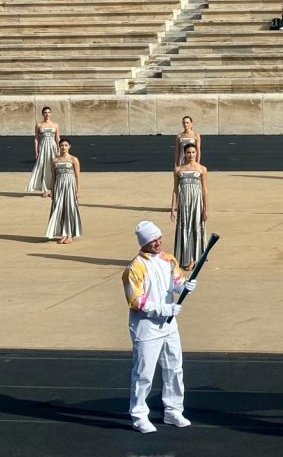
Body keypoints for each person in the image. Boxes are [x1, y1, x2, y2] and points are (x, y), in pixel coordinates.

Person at [123, 221, 196, 433]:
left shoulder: (168, 259)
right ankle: (139, 415)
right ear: (143, 242)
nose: (158, 243)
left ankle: (173, 410)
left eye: (159, 238)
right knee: (144, 373)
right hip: (146, 328)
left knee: (174, 368)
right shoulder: (134, 268)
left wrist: (185, 286)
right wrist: (163, 309)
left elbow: (176, 281)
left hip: (169, 326)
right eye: (153, 240)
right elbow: (135, 301)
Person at [171, 143, 208, 269]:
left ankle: (193, 259)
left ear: (196, 153)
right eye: (188, 152)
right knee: (184, 228)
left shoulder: (202, 169)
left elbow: (205, 189)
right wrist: (173, 208)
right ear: (184, 154)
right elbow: (175, 190)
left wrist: (206, 209)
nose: (191, 155)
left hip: (197, 203)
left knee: (195, 228)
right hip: (183, 203)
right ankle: (184, 257)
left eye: (193, 152)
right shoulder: (178, 169)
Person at [46, 138, 82, 244]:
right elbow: (53, 177)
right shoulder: (54, 160)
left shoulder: (74, 159)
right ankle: (63, 234)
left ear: (69, 146)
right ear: (59, 146)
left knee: (69, 208)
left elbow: (77, 176)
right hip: (59, 186)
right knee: (60, 209)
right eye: (62, 145)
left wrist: (78, 191)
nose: (63, 147)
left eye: (66, 145)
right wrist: (52, 190)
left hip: (70, 186)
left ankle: (70, 235)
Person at [26, 107, 60, 196]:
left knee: (53, 167)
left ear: (51, 113)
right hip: (43, 147)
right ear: (42, 114)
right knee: (43, 167)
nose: (47, 114)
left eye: (49, 112)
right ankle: (45, 189)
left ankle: (53, 189)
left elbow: (57, 138)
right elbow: (36, 139)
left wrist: (58, 150)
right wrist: (36, 152)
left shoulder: (55, 125)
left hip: (52, 147)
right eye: (45, 112)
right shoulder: (39, 125)